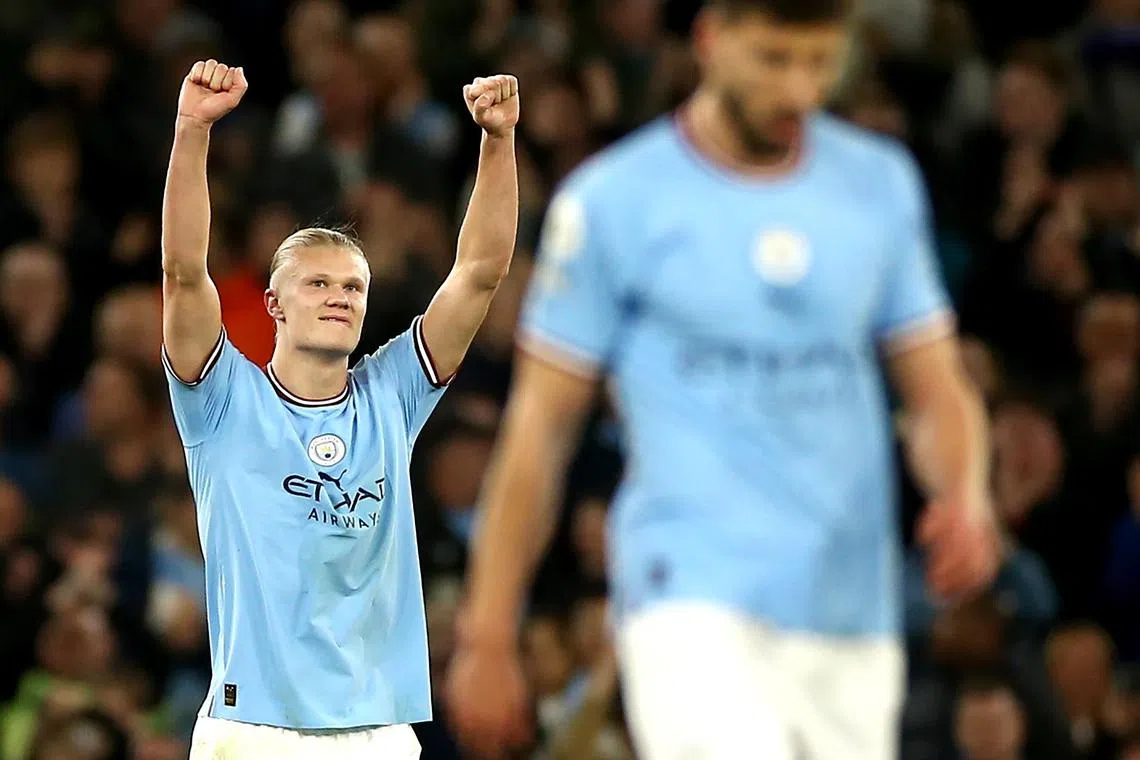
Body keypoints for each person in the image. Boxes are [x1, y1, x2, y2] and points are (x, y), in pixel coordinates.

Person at [445, 1, 1002, 758]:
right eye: (773, 59)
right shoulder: (613, 201)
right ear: (711, 40)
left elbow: (936, 389)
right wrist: (487, 634)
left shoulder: (879, 186)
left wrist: (965, 492)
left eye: (818, 62)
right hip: (687, 594)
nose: (799, 89)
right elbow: (540, 431)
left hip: (849, 610)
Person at [160, 60, 519, 758]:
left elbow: (479, 274)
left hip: (377, 730)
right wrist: (191, 130)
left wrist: (498, 143)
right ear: (274, 305)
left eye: (354, 287)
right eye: (318, 282)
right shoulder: (223, 398)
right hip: (253, 729)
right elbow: (181, 273)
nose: (339, 296)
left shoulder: (392, 396)